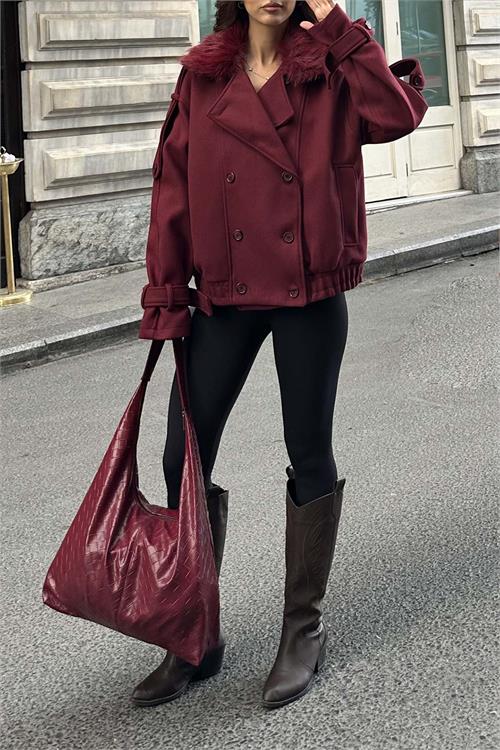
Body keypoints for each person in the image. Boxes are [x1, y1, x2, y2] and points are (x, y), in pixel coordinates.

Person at [131, 0, 428, 709]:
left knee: (309, 450)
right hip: (224, 296)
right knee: (182, 454)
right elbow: (172, 186)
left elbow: (396, 117)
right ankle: (193, 632)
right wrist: (167, 292)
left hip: (308, 293)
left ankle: (303, 629)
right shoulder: (204, 75)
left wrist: (338, 26)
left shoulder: (331, 64)